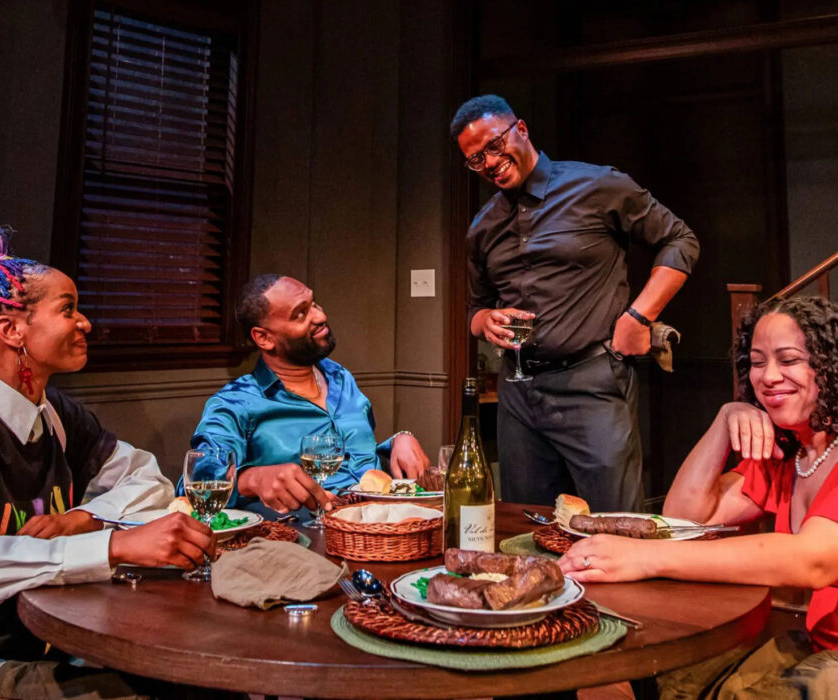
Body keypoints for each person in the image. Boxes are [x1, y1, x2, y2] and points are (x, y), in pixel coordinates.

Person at [0, 226, 218, 699]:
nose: (85, 322)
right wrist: (113, 547)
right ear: (11, 331)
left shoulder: (55, 416)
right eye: (68, 309)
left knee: (200, 679)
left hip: (47, 644)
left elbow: (147, 479)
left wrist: (80, 520)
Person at [560, 296, 838, 697]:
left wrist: (643, 557)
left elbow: (812, 560)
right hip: (817, 647)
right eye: (757, 362)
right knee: (673, 677)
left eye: (789, 359)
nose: (769, 376)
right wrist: (724, 420)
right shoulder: (791, 453)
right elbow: (685, 517)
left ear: (827, 366)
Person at [450, 94, 700, 512]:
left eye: (494, 146)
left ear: (521, 130)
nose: (489, 163)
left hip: (592, 383)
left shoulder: (598, 186)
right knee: (524, 529)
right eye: (476, 160)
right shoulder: (483, 226)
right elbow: (474, 309)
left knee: (614, 524)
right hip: (519, 392)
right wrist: (484, 321)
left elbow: (681, 240)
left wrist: (640, 316)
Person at [191, 274, 430, 516]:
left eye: (314, 303)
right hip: (305, 540)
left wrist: (398, 441)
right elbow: (198, 481)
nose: (321, 316)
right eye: (300, 314)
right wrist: (251, 479)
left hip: (384, 528)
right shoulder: (236, 402)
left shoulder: (340, 377)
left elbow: (356, 460)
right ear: (264, 338)